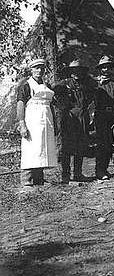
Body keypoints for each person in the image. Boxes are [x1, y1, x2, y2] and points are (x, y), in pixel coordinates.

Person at [16, 59, 57, 189]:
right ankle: (26, 179)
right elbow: (20, 104)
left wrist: (54, 123)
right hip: (32, 120)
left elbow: (51, 106)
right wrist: (22, 124)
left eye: (41, 68)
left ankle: (39, 179)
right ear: (31, 70)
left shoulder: (47, 86)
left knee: (42, 148)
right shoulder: (26, 85)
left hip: (46, 120)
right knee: (30, 148)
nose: (39, 71)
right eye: (36, 68)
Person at [54, 60, 96, 183]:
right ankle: (65, 175)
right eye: (73, 71)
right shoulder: (63, 84)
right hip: (68, 119)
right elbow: (52, 93)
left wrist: (90, 113)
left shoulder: (87, 84)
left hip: (82, 117)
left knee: (81, 146)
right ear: (70, 72)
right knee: (66, 147)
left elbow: (92, 97)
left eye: (78, 71)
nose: (76, 73)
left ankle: (78, 173)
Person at [93, 56, 114, 180]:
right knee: (102, 143)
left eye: (108, 67)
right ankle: (100, 170)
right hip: (100, 117)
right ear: (100, 69)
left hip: (112, 116)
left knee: (111, 143)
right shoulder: (95, 83)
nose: (106, 69)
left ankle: (109, 168)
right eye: (103, 67)